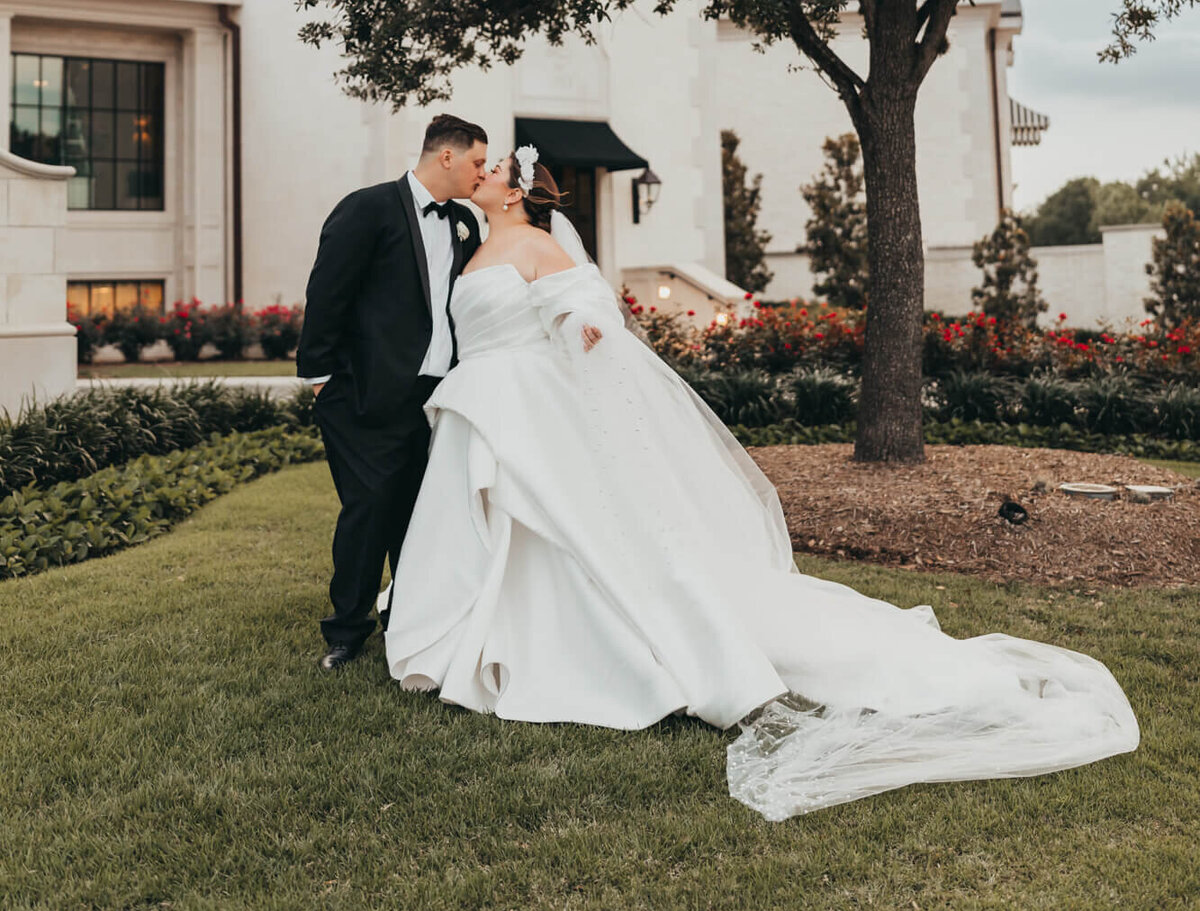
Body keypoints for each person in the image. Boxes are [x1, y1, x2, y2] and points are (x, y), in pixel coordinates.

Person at [379, 145, 1139, 819]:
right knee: (506, 534)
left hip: (524, 410)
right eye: (477, 166)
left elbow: (586, 305)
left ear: (513, 191)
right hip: (483, 403)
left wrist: (585, 329)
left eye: (493, 168)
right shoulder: (477, 244)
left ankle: (576, 650)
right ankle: (482, 633)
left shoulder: (540, 245)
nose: (480, 172)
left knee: (558, 532)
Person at [297, 113, 487, 670]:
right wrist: (321, 377)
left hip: (434, 398)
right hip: (361, 393)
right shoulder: (368, 207)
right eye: (477, 161)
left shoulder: (466, 226)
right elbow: (327, 291)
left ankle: (408, 617)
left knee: (419, 513)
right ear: (446, 156)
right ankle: (346, 630)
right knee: (369, 508)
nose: (481, 173)